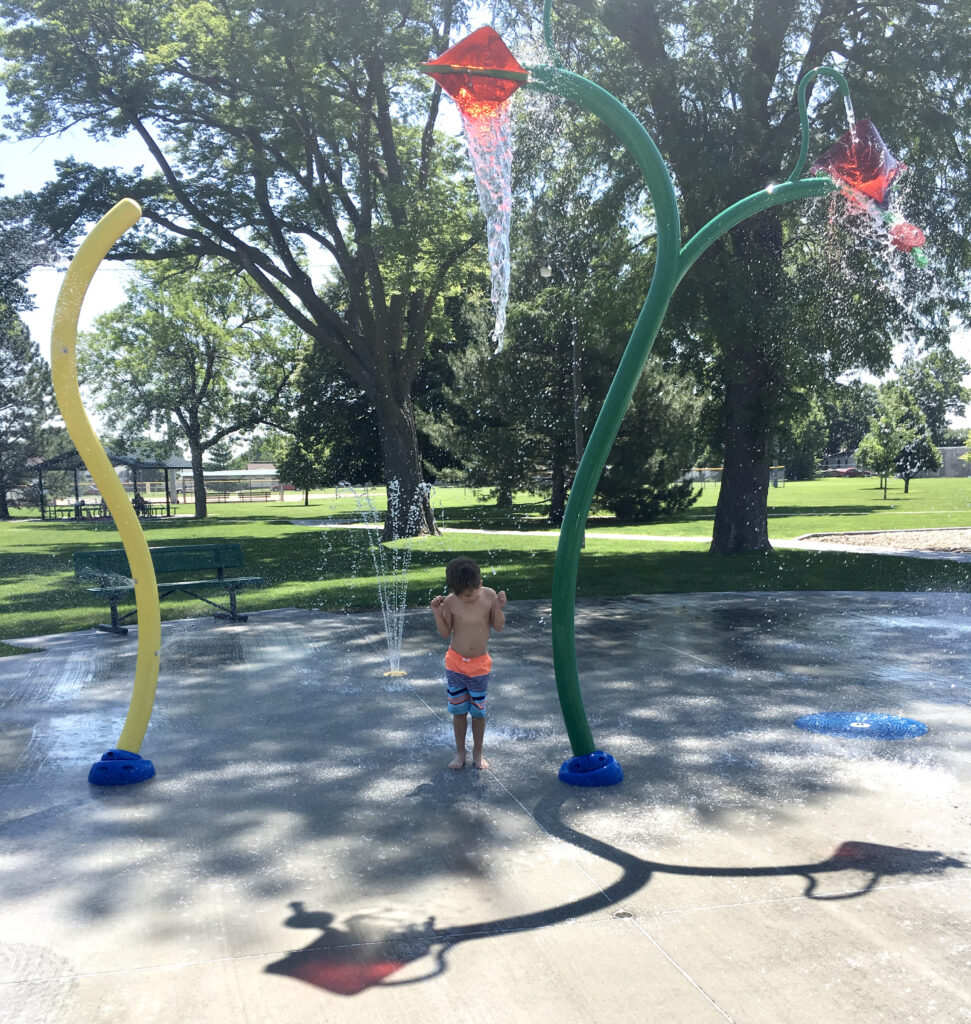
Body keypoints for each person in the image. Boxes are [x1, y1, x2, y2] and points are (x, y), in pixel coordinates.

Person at [430, 557, 506, 771]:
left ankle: (478, 752)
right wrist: (438, 613)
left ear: (479, 584)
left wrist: (499, 608)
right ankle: (460, 752)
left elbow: (498, 626)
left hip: (479, 666)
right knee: (459, 711)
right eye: (460, 594)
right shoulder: (451, 601)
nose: (465, 598)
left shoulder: (489, 596)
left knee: (479, 712)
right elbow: (445, 633)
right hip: (455, 664)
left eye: (469, 594)